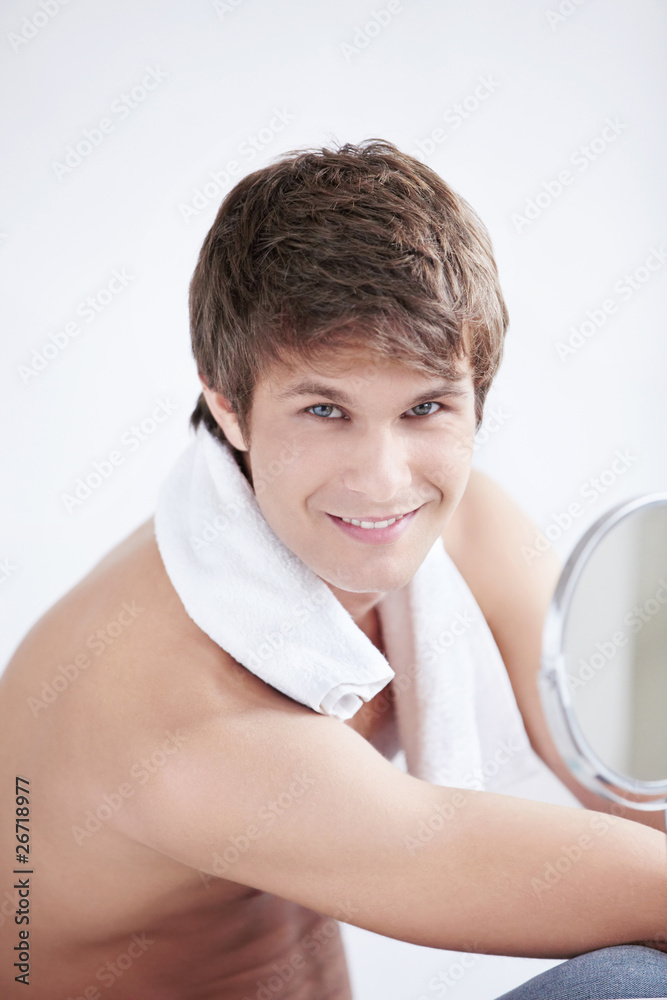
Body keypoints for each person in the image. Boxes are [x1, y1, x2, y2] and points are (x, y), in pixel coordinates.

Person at [1, 139, 665, 1000]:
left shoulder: (461, 526)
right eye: (324, 409)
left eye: (424, 406)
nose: (385, 480)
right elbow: (532, 864)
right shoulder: (173, 710)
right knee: (624, 988)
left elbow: (629, 779)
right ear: (228, 408)